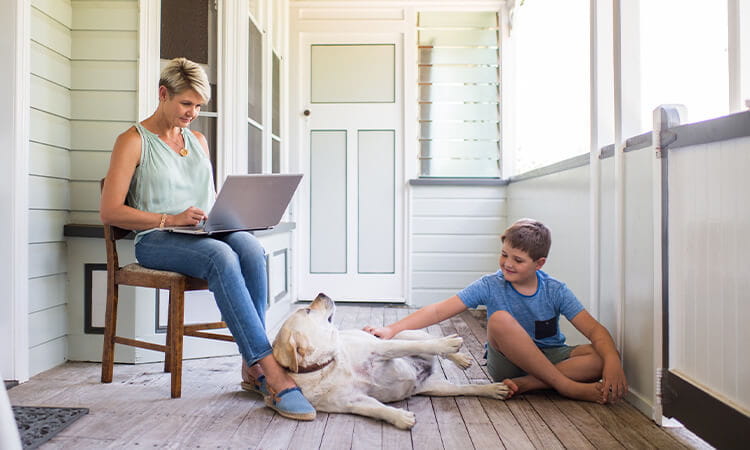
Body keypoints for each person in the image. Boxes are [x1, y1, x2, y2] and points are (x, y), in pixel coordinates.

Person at [100, 57, 315, 420]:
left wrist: (227, 217)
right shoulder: (132, 141)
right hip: (155, 240)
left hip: (197, 235)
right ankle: (272, 375)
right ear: (163, 94)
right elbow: (110, 212)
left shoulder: (197, 141)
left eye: (199, 106)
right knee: (221, 256)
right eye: (187, 104)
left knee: (247, 245)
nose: (193, 113)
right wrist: (171, 218)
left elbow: (207, 199)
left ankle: (252, 368)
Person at [364, 218, 628, 404]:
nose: (507, 264)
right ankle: (566, 387)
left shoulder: (555, 290)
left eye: (518, 260)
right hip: (508, 363)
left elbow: (594, 330)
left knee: (599, 355)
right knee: (500, 319)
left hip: (548, 355)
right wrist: (391, 329)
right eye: (504, 255)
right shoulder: (490, 285)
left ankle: (531, 384)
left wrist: (613, 360)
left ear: (539, 263)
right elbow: (437, 311)